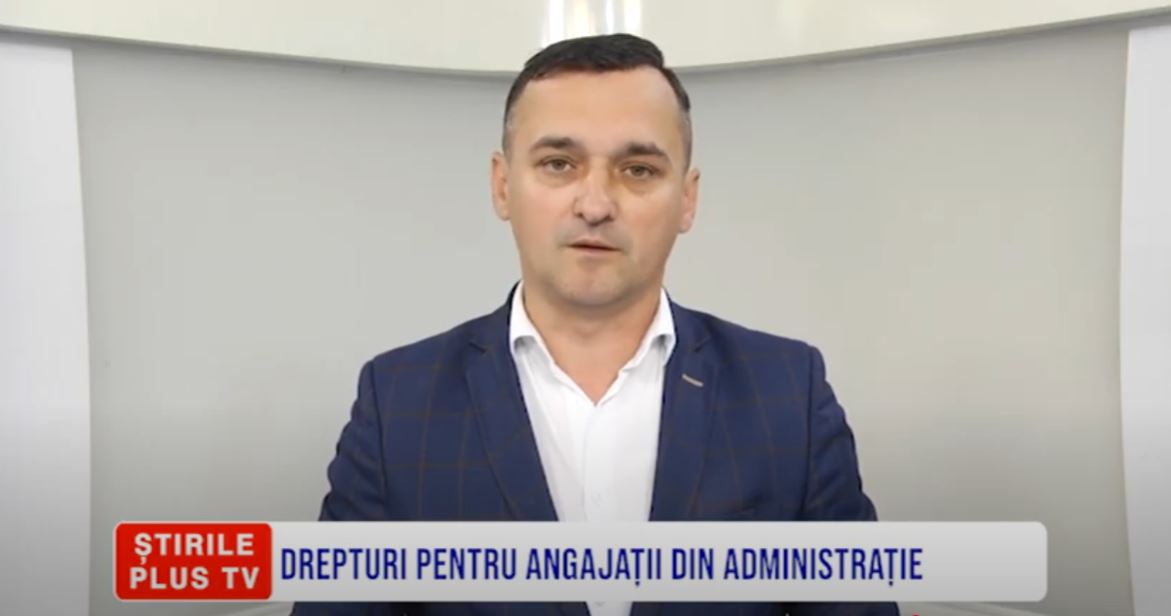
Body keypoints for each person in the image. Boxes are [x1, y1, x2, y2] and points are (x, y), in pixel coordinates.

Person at [292, 33, 897, 616]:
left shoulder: (788, 393)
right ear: (502, 186)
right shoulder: (398, 402)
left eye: (638, 170)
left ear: (687, 199)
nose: (596, 204)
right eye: (559, 163)